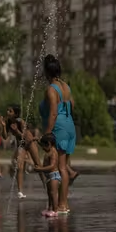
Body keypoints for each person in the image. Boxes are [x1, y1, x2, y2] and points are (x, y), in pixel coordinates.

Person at [39, 54, 76, 214]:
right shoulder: (66, 87)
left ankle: (62, 205)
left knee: (61, 168)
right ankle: (64, 203)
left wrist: (47, 133)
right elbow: (72, 105)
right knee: (64, 166)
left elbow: (53, 113)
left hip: (59, 126)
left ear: (46, 72)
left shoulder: (51, 89)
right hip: (69, 125)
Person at [3, 104, 28, 198]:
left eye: (10, 111)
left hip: (29, 143)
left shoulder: (20, 122)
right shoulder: (8, 122)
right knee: (19, 167)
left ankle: (45, 185)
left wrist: (16, 130)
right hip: (20, 145)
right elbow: (5, 136)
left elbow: (24, 136)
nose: (7, 112)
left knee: (37, 163)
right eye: (7, 110)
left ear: (15, 113)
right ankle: (20, 191)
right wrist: (3, 126)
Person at [34, 133, 61, 217]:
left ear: (49, 144)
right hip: (49, 176)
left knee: (53, 193)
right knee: (49, 193)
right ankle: (49, 208)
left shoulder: (53, 152)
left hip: (54, 176)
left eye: (43, 146)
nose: (42, 148)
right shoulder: (49, 150)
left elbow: (52, 166)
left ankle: (55, 210)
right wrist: (37, 141)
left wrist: (40, 169)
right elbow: (44, 144)